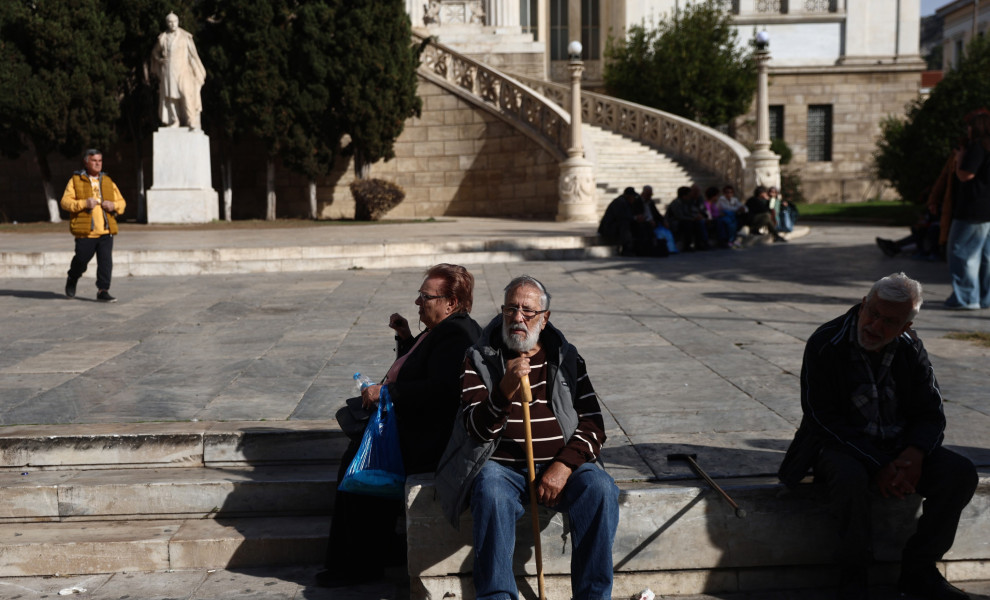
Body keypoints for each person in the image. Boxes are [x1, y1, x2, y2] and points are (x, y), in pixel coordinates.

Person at [778, 273, 977, 600]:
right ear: (863, 305)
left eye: (890, 322)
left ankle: (919, 571)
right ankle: (853, 578)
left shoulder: (910, 347)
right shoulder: (826, 342)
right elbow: (820, 418)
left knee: (959, 473)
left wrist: (915, 454)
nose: (875, 326)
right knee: (849, 477)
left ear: (906, 326)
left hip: (898, 444)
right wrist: (879, 463)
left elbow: (931, 411)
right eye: (873, 313)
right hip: (843, 446)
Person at [436, 276, 619, 600]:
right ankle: (497, 596)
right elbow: (475, 430)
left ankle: (593, 596)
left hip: (559, 466)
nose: (518, 318)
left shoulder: (566, 358)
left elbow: (593, 425)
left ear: (544, 318)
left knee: (600, 488)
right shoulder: (479, 358)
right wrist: (503, 391)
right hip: (501, 467)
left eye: (528, 311)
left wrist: (563, 466)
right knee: (490, 491)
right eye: (511, 309)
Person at [316, 264, 482, 588]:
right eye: (420, 295)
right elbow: (422, 367)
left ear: (451, 302)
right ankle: (372, 553)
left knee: (361, 469)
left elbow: (442, 388)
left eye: (426, 297)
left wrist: (387, 392)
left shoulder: (457, 334)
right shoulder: (441, 329)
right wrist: (406, 337)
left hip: (430, 440)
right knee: (356, 461)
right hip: (416, 429)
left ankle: (358, 565)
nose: (418, 302)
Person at [61, 149, 126, 303]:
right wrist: (84, 203)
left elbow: (122, 202)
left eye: (100, 161)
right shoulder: (76, 180)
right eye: (94, 161)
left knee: (105, 263)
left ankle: (103, 291)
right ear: (86, 162)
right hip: (86, 232)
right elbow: (65, 202)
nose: (98, 164)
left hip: (106, 231)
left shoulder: (108, 181)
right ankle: (73, 277)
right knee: (81, 260)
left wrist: (114, 206)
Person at [944, 110, 990, 310]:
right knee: (986, 257)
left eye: (970, 126)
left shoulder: (978, 147)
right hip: (986, 209)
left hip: (973, 208)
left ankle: (967, 298)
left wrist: (960, 157)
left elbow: (965, 175)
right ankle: (985, 297)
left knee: (962, 253)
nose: (968, 130)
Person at [150, 12, 207, 129]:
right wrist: (160, 59)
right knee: (171, 96)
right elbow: (155, 52)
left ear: (178, 22)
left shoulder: (185, 37)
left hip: (183, 71)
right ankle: (174, 120)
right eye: (170, 22)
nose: (173, 24)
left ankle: (191, 120)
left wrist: (197, 70)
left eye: (175, 21)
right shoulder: (163, 38)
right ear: (167, 23)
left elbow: (193, 55)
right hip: (169, 71)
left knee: (186, 94)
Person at [598, 186, 664, 256]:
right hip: (609, 227)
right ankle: (627, 249)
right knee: (625, 225)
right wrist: (635, 218)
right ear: (628, 196)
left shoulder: (628, 203)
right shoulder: (619, 202)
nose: (634, 199)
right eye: (633, 197)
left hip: (618, 225)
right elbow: (621, 217)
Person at [666, 186, 709, 251]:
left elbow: (690, 212)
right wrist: (692, 218)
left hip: (686, 220)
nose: (690, 197)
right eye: (689, 195)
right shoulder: (676, 203)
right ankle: (687, 245)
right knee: (688, 224)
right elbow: (679, 216)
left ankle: (700, 243)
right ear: (684, 196)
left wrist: (696, 217)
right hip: (675, 222)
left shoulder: (687, 202)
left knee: (698, 223)